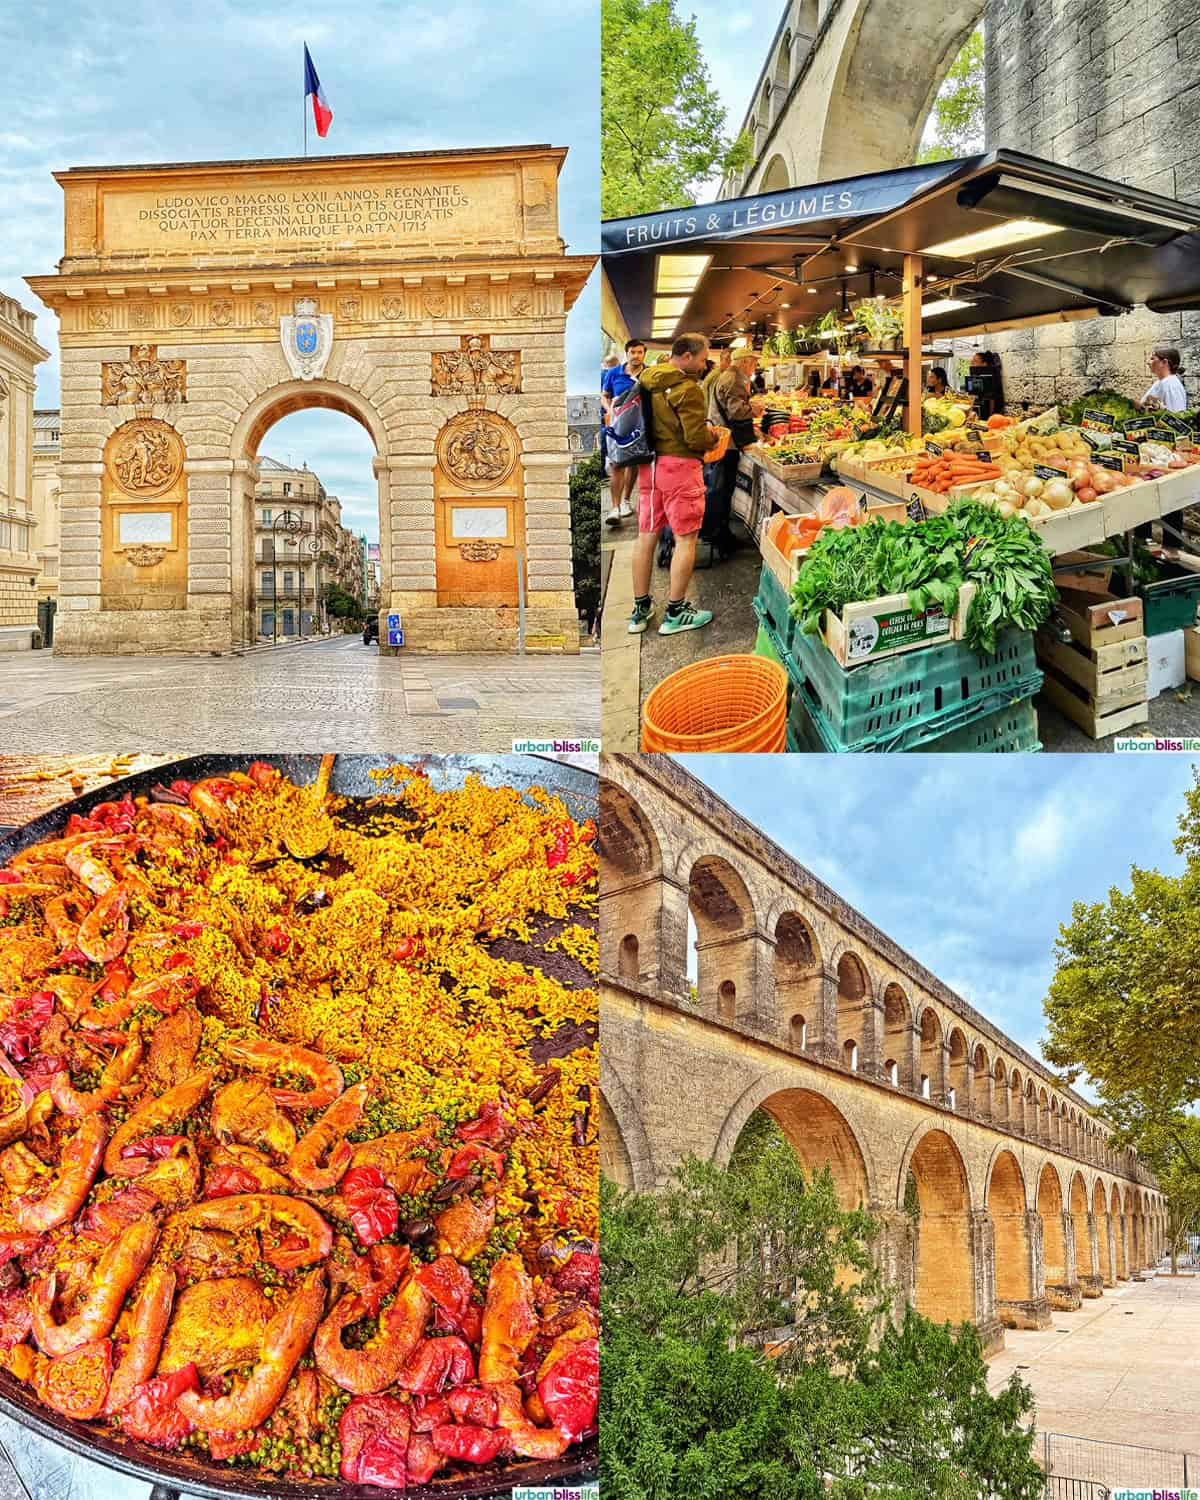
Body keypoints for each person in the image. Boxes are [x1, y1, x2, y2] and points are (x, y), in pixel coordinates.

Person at [627, 332, 718, 637]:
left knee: (646, 537)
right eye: (703, 359)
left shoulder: (648, 377)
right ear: (687, 356)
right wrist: (711, 436)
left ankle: (640, 610)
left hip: (649, 467)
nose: (704, 365)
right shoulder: (687, 388)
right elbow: (695, 438)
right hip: (679, 467)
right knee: (685, 539)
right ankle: (675, 613)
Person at [702, 347, 758, 559]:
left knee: (718, 489)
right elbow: (736, 411)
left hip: (720, 439)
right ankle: (719, 536)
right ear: (744, 362)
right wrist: (754, 409)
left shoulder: (725, 375)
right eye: (753, 362)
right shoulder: (735, 379)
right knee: (722, 490)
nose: (754, 367)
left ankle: (718, 532)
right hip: (728, 443)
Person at [601, 338, 647, 527]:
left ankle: (626, 500)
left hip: (640, 425)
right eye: (632, 352)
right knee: (616, 464)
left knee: (633, 462)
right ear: (626, 354)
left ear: (644, 354)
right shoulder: (614, 373)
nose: (636, 356)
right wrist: (609, 410)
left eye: (639, 352)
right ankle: (615, 507)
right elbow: (604, 395)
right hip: (618, 425)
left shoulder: (649, 373)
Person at [1139, 348, 1188, 412]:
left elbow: (1175, 414)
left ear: (1164, 362)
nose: (1148, 362)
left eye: (1152, 359)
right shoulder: (1161, 382)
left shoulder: (1172, 386)